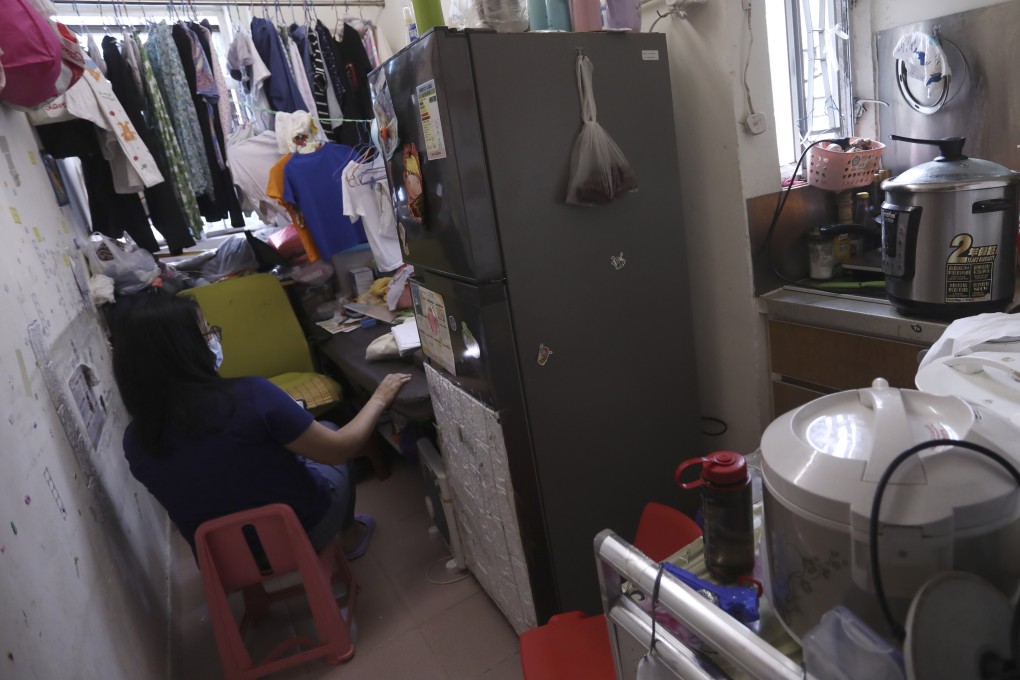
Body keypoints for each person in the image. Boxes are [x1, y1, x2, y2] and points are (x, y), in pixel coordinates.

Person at [111, 289, 410, 560]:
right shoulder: (250, 396)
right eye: (206, 334)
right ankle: (350, 536)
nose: (213, 340)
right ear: (184, 352)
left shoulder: (135, 440)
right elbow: (340, 450)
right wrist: (379, 398)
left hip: (223, 560)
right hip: (301, 534)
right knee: (330, 433)